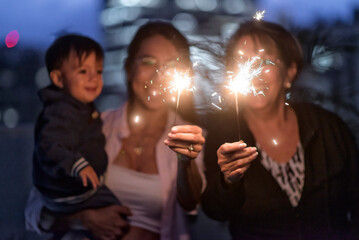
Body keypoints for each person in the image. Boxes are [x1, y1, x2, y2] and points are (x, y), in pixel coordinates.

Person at [26, 21, 206, 240]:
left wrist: (185, 161)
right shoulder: (93, 126)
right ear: (129, 69)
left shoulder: (190, 136)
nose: (158, 76)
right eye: (148, 62)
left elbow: (191, 204)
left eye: (170, 66)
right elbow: (34, 211)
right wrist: (83, 218)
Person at [201, 20, 359, 240]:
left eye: (265, 61)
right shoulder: (223, 137)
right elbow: (215, 211)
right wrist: (228, 181)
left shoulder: (327, 128)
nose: (253, 72)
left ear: (289, 72)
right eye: (243, 62)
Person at [33, 34, 120, 216]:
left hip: (76, 190)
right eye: (83, 71)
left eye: (98, 71)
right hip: (69, 192)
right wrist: (77, 165)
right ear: (58, 79)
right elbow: (49, 146)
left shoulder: (81, 108)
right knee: (119, 217)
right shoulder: (61, 111)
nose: (93, 78)